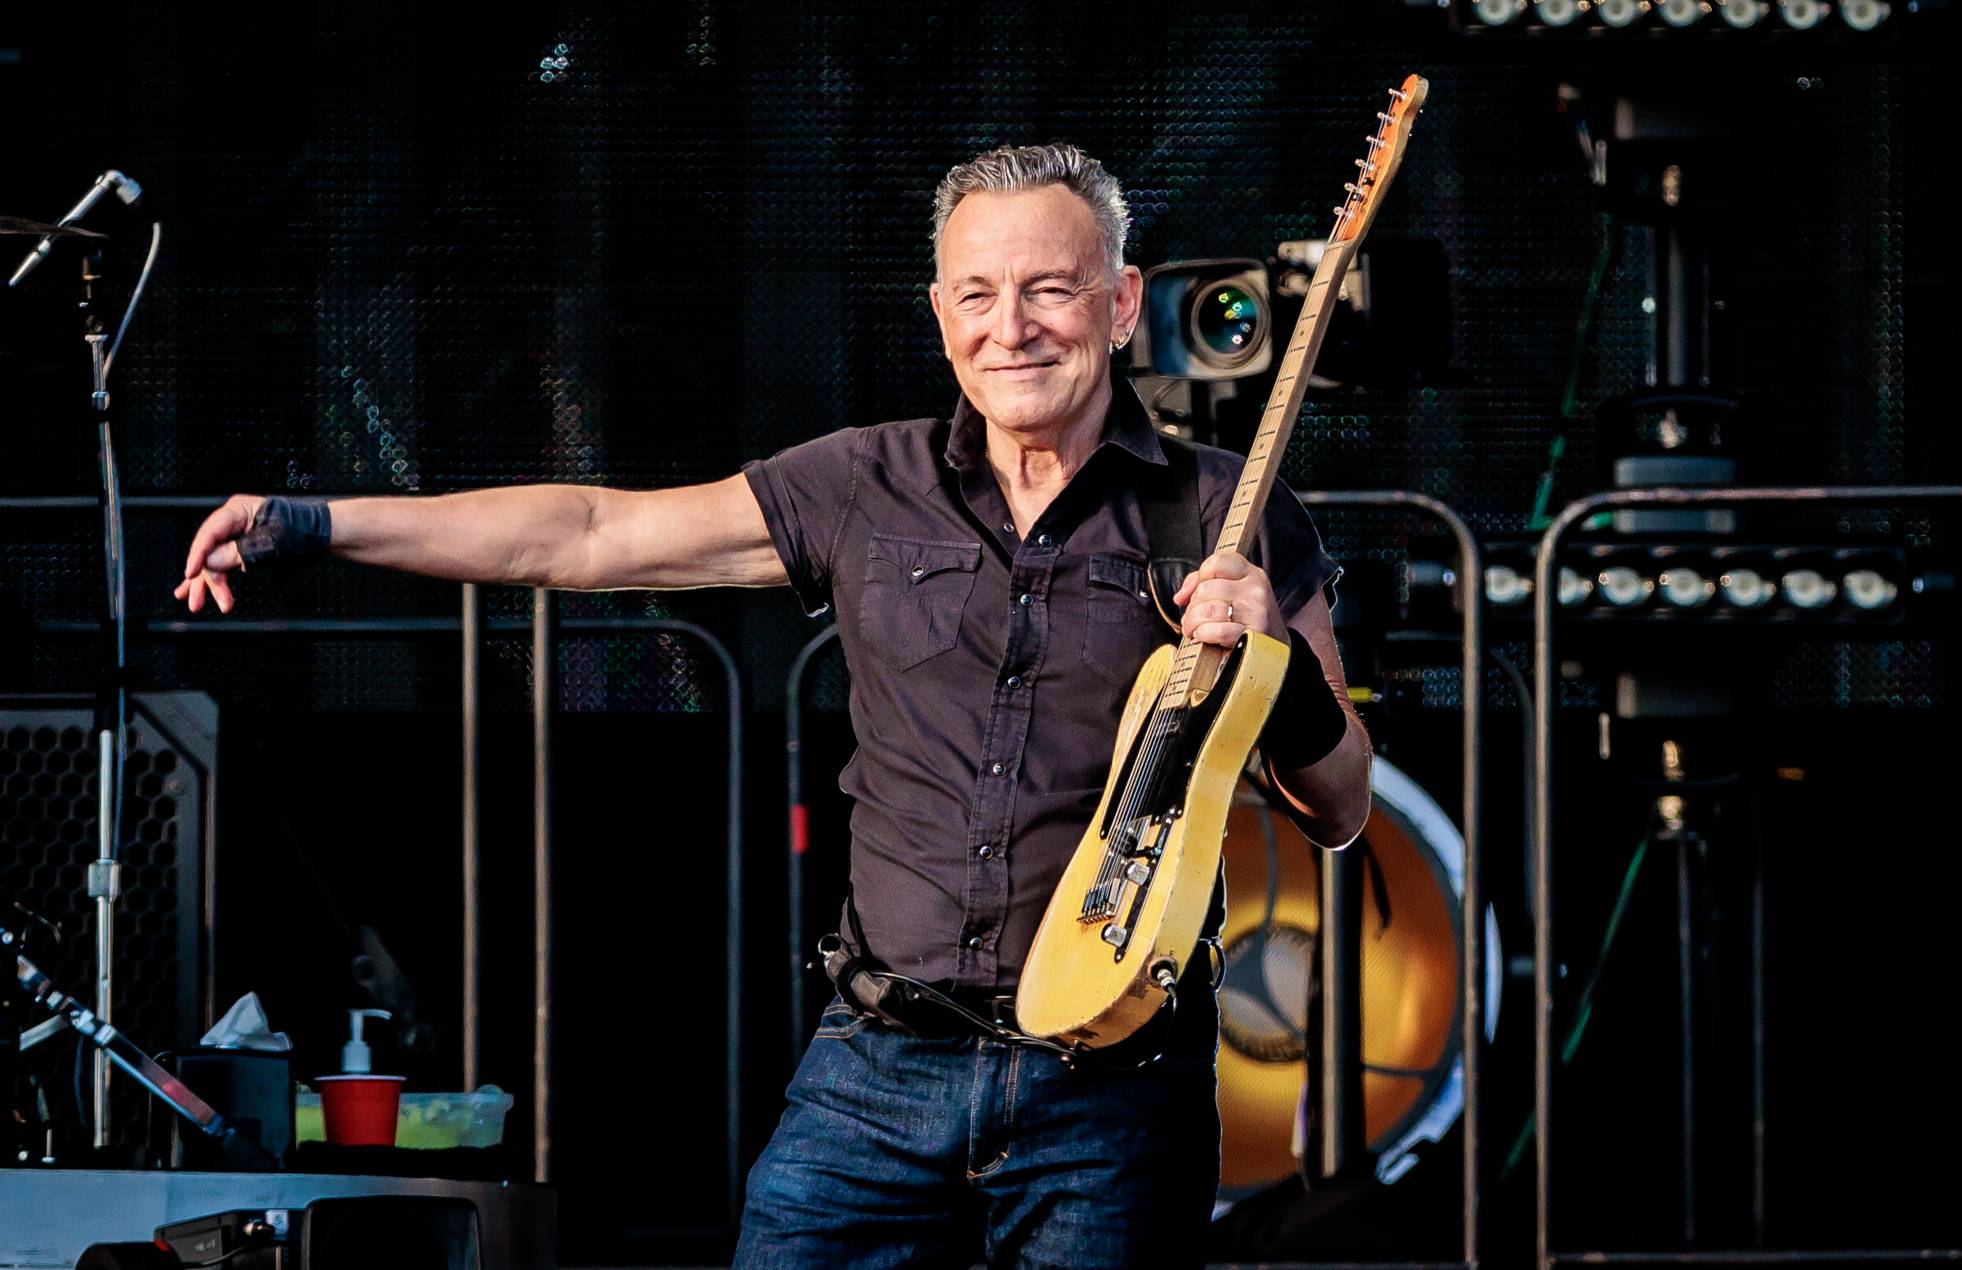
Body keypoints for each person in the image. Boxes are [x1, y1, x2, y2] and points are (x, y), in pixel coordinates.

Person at [176, 143, 1371, 1268]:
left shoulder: (1228, 514)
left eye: (1049, 290)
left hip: (1114, 1085)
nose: (1009, 328)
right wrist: (316, 522)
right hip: (874, 1072)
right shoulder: (863, 482)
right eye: (975, 293)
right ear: (939, 311)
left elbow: (1339, 805)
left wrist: (1274, 661)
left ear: (1119, 303)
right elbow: (593, 533)